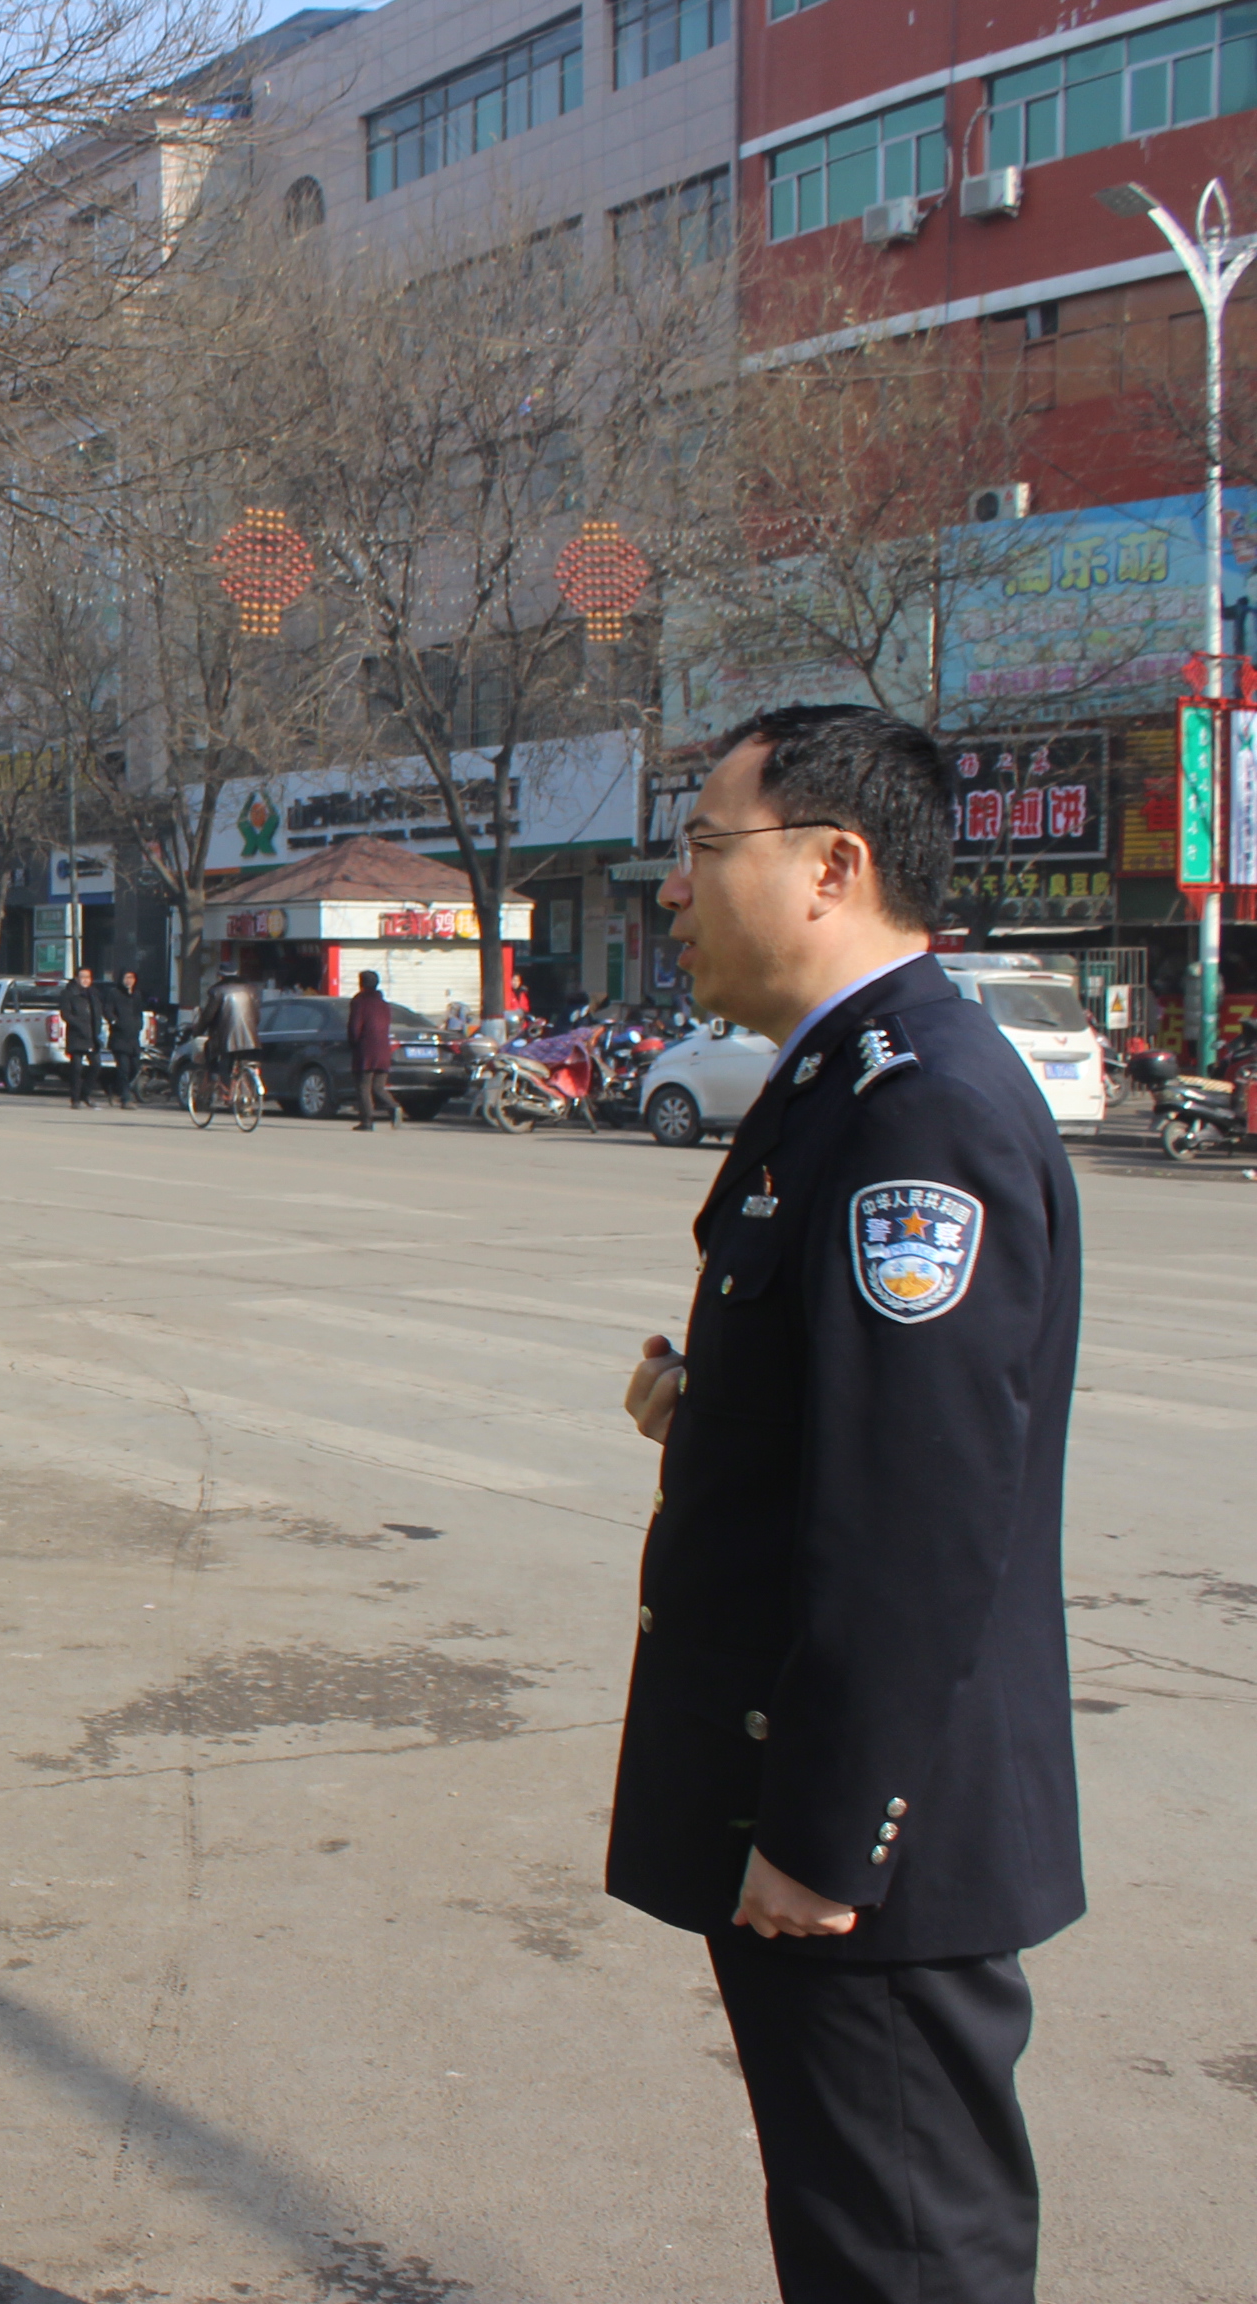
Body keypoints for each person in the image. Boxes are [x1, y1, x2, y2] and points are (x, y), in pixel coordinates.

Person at [615, 703, 1081, 2304]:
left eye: (700, 849)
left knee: (905, 2257)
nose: (673, 891)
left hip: (872, 1847)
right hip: (816, 1809)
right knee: (848, 2236)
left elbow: (923, 1520)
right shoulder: (837, 1085)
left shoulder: (916, 1110)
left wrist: (823, 1838)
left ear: (833, 865)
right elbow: (861, 1419)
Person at [193, 968, 262, 1107]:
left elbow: (207, 1016)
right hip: (251, 1038)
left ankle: (224, 1090)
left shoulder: (217, 991)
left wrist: (197, 1031)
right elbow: (257, 1016)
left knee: (214, 1057)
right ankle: (244, 1093)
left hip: (227, 1038)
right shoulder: (250, 990)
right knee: (242, 1063)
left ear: (220, 976)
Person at [347, 968, 399, 1131]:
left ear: (361, 983)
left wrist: (352, 1042)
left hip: (366, 1048)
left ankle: (367, 1120)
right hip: (383, 1049)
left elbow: (355, 1027)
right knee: (378, 1087)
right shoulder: (384, 1004)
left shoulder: (359, 1001)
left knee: (363, 1086)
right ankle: (394, 1107)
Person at [58, 965, 105, 1107]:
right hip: (77, 1036)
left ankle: (86, 1094)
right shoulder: (69, 993)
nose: (85, 980)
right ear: (77, 978)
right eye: (82, 977)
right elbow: (66, 1014)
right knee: (76, 1068)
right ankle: (75, 1099)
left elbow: (97, 1014)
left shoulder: (94, 994)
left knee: (96, 1065)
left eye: (88, 977)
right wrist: (80, 1026)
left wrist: (98, 1030)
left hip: (92, 1036)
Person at [104, 969, 147, 1106]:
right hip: (119, 1037)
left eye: (132, 978)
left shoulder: (137, 994)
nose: (129, 980)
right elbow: (108, 1010)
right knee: (123, 1068)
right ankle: (126, 1099)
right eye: (127, 977)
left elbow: (139, 1012)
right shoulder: (114, 993)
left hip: (133, 1038)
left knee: (134, 1068)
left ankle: (115, 1089)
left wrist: (139, 1025)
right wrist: (115, 1021)